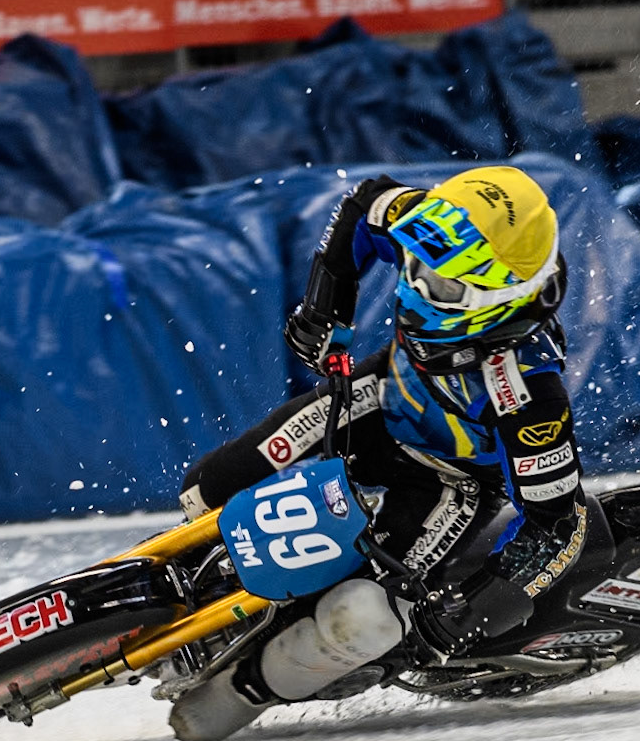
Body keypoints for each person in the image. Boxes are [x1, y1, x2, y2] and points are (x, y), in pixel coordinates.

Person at [179, 165, 605, 698]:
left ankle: (265, 677)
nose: (413, 290)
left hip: (452, 481)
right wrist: (324, 306)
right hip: (378, 396)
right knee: (209, 486)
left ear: (498, 299)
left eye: (440, 283)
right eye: (416, 264)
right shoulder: (429, 225)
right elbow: (364, 202)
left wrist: (470, 613)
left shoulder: (529, 395)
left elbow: (559, 527)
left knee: (359, 611)